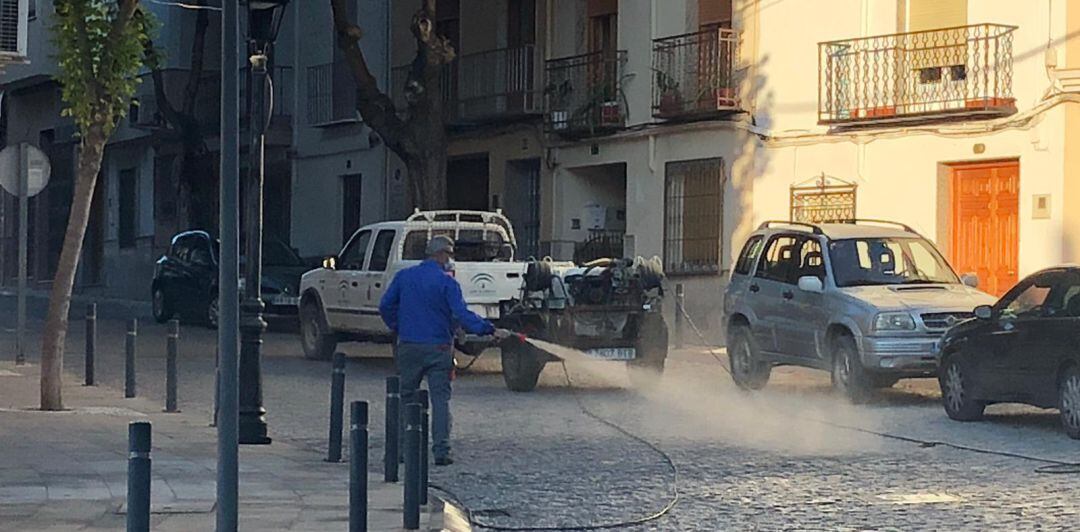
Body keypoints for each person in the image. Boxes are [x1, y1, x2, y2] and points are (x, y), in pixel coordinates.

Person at [379, 235, 510, 465]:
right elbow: (461, 314)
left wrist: (398, 326)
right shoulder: (447, 283)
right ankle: (441, 451)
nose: (450, 260)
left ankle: (400, 451)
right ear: (440, 255)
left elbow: (385, 306)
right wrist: (489, 329)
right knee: (440, 400)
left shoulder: (404, 277)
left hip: (409, 346)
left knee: (405, 397)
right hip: (439, 348)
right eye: (448, 255)